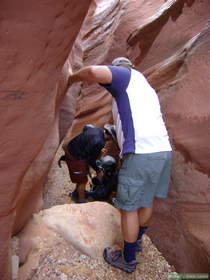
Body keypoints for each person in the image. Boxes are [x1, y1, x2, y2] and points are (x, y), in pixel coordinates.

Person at [67, 57, 172, 273]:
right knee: (145, 200)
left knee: (128, 208)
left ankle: (128, 259)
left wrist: (72, 78)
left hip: (141, 152)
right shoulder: (144, 88)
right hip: (162, 150)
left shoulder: (125, 76)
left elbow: (95, 72)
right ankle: (137, 242)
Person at [59, 123, 117, 203]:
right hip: (75, 156)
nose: (111, 140)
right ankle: (81, 200)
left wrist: (85, 143)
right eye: (112, 138)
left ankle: (76, 194)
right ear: (109, 135)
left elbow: (86, 127)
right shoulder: (99, 142)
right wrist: (98, 170)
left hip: (74, 150)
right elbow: (91, 160)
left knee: (82, 176)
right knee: (82, 181)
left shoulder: (97, 130)